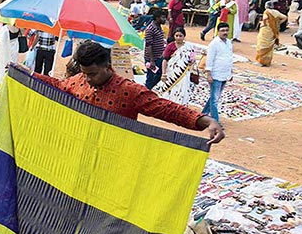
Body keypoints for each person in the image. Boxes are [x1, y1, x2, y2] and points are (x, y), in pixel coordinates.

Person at [30, 41, 224, 143]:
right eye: (85, 74)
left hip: (115, 157)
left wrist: (207, 121)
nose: (88, 79)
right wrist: (28, 75)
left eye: (93, 74)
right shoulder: (80, 81)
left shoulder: (129, 90)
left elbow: (166, 109)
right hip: (80, 150)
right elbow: (57, 85)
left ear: (107, 66)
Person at [154, 27, 197, 105]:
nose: (178, 38)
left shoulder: (189, 47)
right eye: (176, 35)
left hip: (183, 73)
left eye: (180, 36)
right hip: (171, 73)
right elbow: (165, 60)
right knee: (170, 89)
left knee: (182, 89)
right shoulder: (170, 46)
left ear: (184, 36)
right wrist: (163, 73)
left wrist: (192, 61)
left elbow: (193, 58)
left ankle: (180, 106)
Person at [202, 22, 233, 123]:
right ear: (218, 32)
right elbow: (209, 60)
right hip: (215, 74)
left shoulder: (229, 42)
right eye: (222, 31)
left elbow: (229, 58)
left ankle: (203, 114)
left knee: (214, 97)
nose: (225, 32)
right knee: (215, 100)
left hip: (224, 74)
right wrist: (209, 74)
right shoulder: (214, 44)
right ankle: (215, 121)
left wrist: (230, 73)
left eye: (226, 30)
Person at [255, 2, 288, 66]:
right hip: (273, 31)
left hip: (265, 30)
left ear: (266, 6)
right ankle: (267, 62)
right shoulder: (276, 12)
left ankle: (261, 61)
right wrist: (278, 23)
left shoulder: (267, 11)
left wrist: (264, 24)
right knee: (270, 46)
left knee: (262, 45)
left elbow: (265, 18)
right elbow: (285, 17)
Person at [144, 9, 167, 89]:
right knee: (151, 77)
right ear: (157, 18)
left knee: (159, 75)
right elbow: (148, 45)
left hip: (159, 57)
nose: (164, 19)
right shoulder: (150, 29)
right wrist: (151, 60)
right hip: (153, 58)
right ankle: (147, 90)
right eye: (163, 17)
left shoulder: (159, 27)